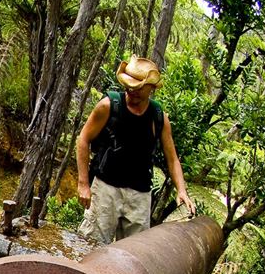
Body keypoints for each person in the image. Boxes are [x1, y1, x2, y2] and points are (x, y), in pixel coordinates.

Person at [76, 55, 196, 244]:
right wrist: (83, 183)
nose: (132, 91)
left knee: (132, 254)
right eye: (129, 87)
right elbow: (83, 139)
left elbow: (172, 158)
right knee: (91, 245)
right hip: (106, 189)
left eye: (138, 88)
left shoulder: (158, 117)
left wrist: (181, 190)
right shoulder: (109, 106)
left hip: (140, 195)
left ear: (151, 88)